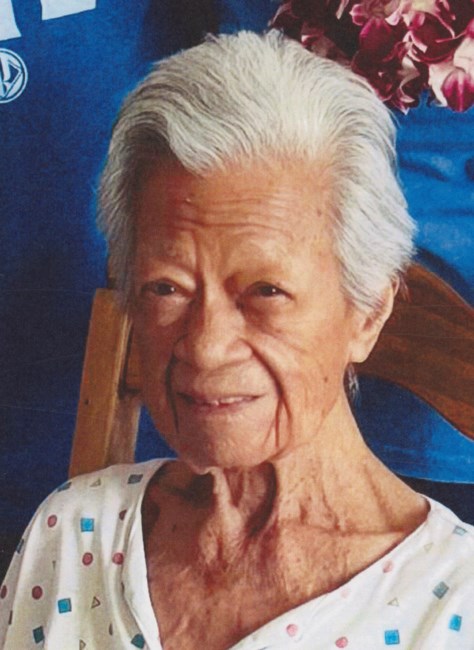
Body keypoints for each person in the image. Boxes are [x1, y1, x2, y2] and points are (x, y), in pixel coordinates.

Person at [0, 30, 473, 650]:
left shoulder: (453, 606)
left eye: (265, 292)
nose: (205, 346)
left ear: (367, 312)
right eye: (167, 288)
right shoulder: (70, 535)